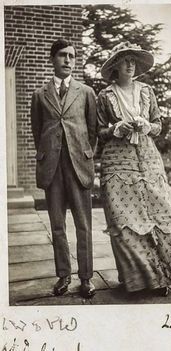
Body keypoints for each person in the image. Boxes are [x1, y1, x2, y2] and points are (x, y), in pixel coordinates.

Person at [97, 41, 171, 295]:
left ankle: (160, 278)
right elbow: (99, 131)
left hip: (148, 159)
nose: (130, 64)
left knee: (160, 214)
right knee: (126, 221)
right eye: (125, 60)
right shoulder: (105, 95)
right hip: (118, 162)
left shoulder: (146, 91)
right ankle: (138, 281)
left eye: (133, 61)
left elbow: (158, 124)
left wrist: (146, 126)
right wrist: (116, 128)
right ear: (116, 65)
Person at [31, 39, 97, 298]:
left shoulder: (86, 92)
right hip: (52, 168)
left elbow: (92, 130)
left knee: (84, 225)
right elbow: (38, 130)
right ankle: (63, 276)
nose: (67, 60)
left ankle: (86, 278)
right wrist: (49, 154)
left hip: (78, 165)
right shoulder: (39, 95)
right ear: (52, 59)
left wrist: (85, 153)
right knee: (57, 226)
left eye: (71, 56)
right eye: (62, 55)